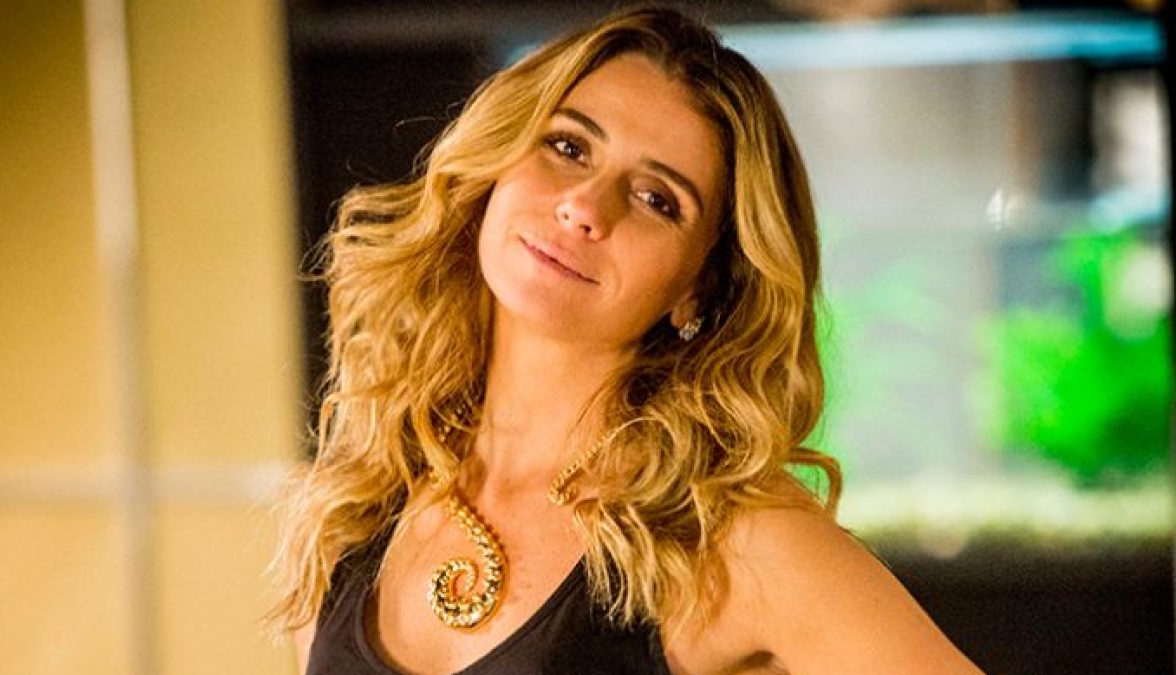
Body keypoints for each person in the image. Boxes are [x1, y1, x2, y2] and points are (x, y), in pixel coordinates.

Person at [265, 5, 986, 674]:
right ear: (496, 162)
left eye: (655, 199)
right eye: (568, 146)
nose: (584, 206)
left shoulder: (729, 539)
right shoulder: (357, 505)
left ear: (698, 286)